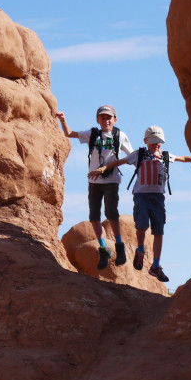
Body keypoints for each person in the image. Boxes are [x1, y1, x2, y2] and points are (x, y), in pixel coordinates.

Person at [93, 125, 191, 283]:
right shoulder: (139, 155)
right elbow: (120, 161)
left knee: (159, 232)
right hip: (141, 196)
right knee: (141, 226)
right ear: (146, 141)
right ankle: (140, 249)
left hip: (158, 199)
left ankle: (156, 266)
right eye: (154, 142)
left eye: (159, 142)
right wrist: (103, 168)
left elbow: (183, 158)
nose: (157, 144)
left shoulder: (165, 156)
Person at [56, 105, 134, 270]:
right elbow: (69, 134)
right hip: (94, 181)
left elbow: (132, 156)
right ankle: (103, 248)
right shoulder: (93, 134)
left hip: (112, 179)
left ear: (115, 120)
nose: (106, 120)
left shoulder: (120, 135)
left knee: (111, 213)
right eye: (103, 117)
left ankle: (119, 247)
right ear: (98, 120)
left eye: (109, 117)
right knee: (94, 217)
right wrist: (62, 120)